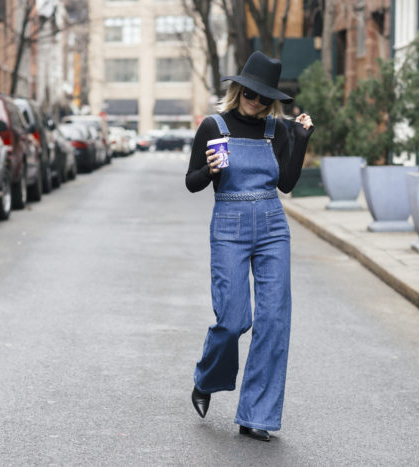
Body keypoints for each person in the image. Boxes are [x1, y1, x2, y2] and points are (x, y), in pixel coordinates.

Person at [185, 50, 314, 442]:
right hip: (229, 223)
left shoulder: (278, 130)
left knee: (274, 320)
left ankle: (255, 414)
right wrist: (210, 169)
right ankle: (206, 379)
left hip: (273, 225)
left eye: (263, 98)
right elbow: (192, 182)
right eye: (249, 94)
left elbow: (287, 184)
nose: (255, 102)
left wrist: (302, 139)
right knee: (233, 319)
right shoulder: (214, 126)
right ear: (238, 88)